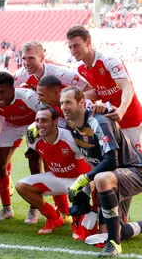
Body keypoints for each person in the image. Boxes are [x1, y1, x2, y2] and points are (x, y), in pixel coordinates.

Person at [13, 40, 89, 224]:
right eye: (23, 58)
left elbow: (90, 90)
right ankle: (60, 214)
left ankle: (93, 215)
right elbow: (11, 89)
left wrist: (79, 113)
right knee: (48, 160)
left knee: (86, 161)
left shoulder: (63, 76)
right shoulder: (24, 78)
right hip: (53, 130)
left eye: (31, 58)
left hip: (79, 161)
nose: (26, 62)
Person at [60, 87, 142, 256]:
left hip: (134, 171)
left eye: (68, 102)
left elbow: (112, 160)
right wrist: (87, 183)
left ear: (81, 103)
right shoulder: (72, 126)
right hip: (117, 176)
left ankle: (114, 245)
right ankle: (116, 235)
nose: (64, 107)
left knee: (102, 178)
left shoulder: (99, 121)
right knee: (113, 230)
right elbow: (95, 159)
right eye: (62, 103)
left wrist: (83, 179)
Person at [16, 106, 92, 234]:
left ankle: (79, 223)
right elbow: (33, 159)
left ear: (55, 121)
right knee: (22, 186)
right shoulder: (34, 140)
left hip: (79, 180)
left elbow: (93, 159)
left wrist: (92, 182)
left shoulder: (71, 138)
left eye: (44, 120)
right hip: (57, 177)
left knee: (80, 191)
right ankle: (54, 218)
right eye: (37, 120)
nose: (40, 124)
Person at [66, 25, 142, 153]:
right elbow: (98, 92)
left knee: (137, 163)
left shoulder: (109, 59)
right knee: (117, 163)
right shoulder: (80, 68)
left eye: (76, 45)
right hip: (110, 121)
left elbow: (127, 87)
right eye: (70, 47)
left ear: (88, 42)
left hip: (130, 119)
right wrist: (74, 99)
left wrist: (122, 110)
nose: (73, 51)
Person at [0, 72, 40, 220]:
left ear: (13, 90)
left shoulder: (28, 97)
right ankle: (7, 208)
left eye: (3, 92)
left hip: (33, 125)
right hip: (11, 126)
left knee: (34, 160)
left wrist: (34, 146)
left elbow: (46, 115)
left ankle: (34, 208)